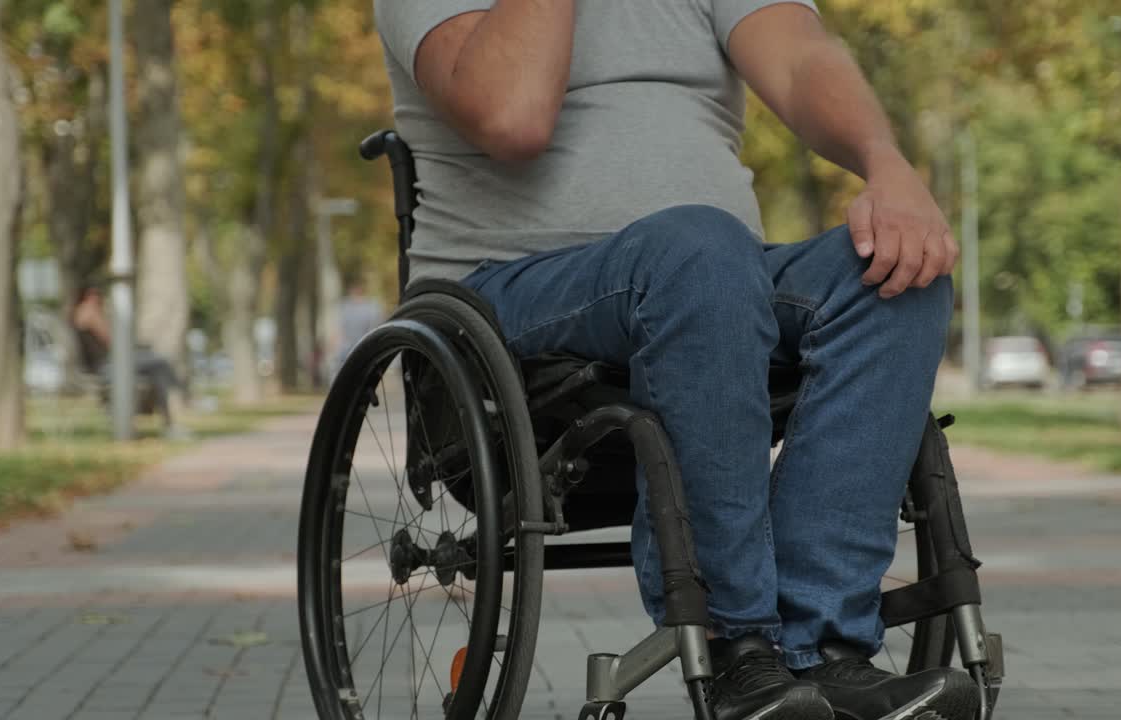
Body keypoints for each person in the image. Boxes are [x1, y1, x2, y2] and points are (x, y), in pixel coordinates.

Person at [374, 2, 975, 719]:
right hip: (509, 299)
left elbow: (799, 59)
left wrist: (887, 165)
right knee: (698, 249)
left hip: (719, 284)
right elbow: (512, 117)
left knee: (895, 278)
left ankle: (825, 645)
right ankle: (737, 647)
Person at [71, 287, 189, 438]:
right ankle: (182, 395)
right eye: (94, 295)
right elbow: (113, 341)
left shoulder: (84, 313)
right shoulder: (88, 313)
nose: (98, 299)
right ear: (86, 297)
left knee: (157, 370)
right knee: (160, 361)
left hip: (110, 364)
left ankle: (170, 425)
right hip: (107, 367)